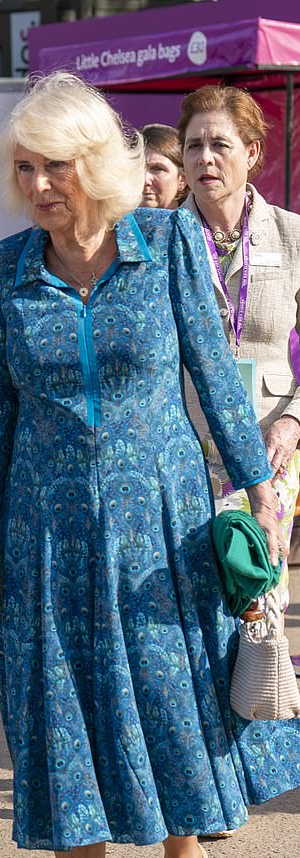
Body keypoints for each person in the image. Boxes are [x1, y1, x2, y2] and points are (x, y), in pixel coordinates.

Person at [0, 72, 299, 858]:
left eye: (57, 165)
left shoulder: (170, 242)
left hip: (165, 530)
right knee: (65, 714)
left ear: (99, 165)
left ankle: (185, 848)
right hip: (47, 536)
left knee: (172, 702)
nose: (39, 184)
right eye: (24, 167)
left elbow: (215, 380)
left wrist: (260, 505)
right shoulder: (3, 269)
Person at [178, 86, 300, 616]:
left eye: (220, 144)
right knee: (194, 591)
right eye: (193, 145)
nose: (205, 157)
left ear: (251, 153)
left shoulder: (292, 235)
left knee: (260, 582)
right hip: (183, 442)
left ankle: (262, 699)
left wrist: (293, 421)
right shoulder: (156, 239)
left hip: (270, 442)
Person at [141, 123, 187, 209]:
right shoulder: (111, 221)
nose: (145, 180)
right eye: (137, 169)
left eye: (158, 169)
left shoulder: (201, 221)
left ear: (182, 179)